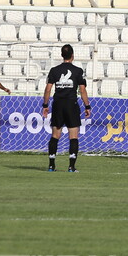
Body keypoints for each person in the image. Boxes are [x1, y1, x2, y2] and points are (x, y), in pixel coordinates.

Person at [42, 44, 90, 173]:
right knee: (73, 135)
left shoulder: (54, 70)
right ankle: (71, 167)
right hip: (71, 104)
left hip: (57, 104)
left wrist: (45, 105)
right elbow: (83, 90)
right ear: (72, 56)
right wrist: (87, 106)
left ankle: (51, 165)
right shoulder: (78, 71)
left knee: (55, 135)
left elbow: (48, 89)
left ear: (62, 55)